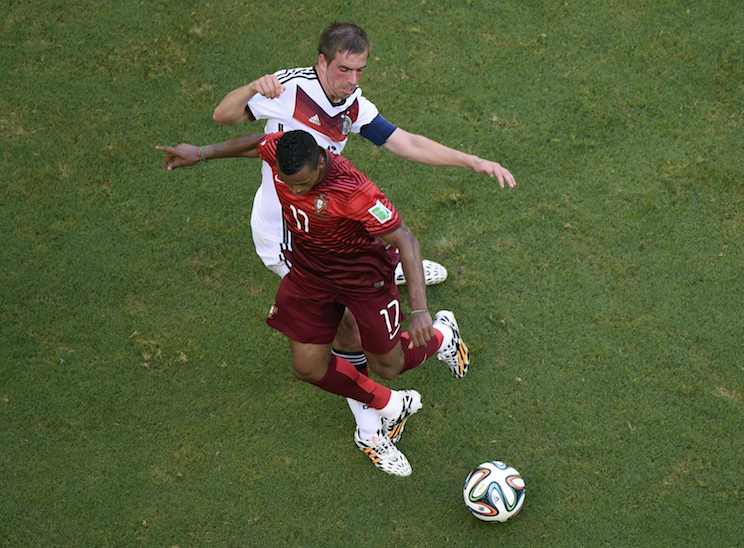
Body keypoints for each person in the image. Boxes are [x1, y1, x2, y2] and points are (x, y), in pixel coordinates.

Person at [159, 21, 513, 471]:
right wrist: (251, 88)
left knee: (357, 288)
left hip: (333, 225)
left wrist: (472, 160)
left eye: (360, 70)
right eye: (345, 69)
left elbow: (405, 142)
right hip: (288, 238)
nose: (353, 81)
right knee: (345, 324)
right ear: (321, 61)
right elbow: (225, 117)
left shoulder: (353, 107)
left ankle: (391, 322)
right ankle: (377, 414)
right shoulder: (287, 89)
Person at [189, 129, 471, 476]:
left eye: (303, 185)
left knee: (388, 365)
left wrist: (421, 311)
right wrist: (201, 151)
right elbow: (255, 144)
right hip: (311, 275)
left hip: (363, 280)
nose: (294, 191)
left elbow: (406, 241)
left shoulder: (353, 192)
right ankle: (391, 404)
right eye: (288, 183)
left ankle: (443, 335)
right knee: (308, 367)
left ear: (321, 162)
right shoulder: (284, 151)